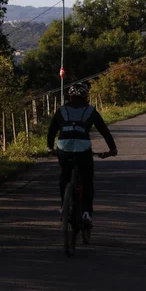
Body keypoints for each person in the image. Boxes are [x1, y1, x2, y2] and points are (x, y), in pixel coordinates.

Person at [47, 82, 117, 225]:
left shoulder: (61, 110)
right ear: (86, 97)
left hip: (63, 148)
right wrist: (112, 149)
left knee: (65, 175)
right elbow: (104, 131)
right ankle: (86, 212)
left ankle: (63, 206)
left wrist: (50, 148)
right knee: (87, 180)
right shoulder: (91, 111)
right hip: (83, 149)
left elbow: (52, 130)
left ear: (70, 96)